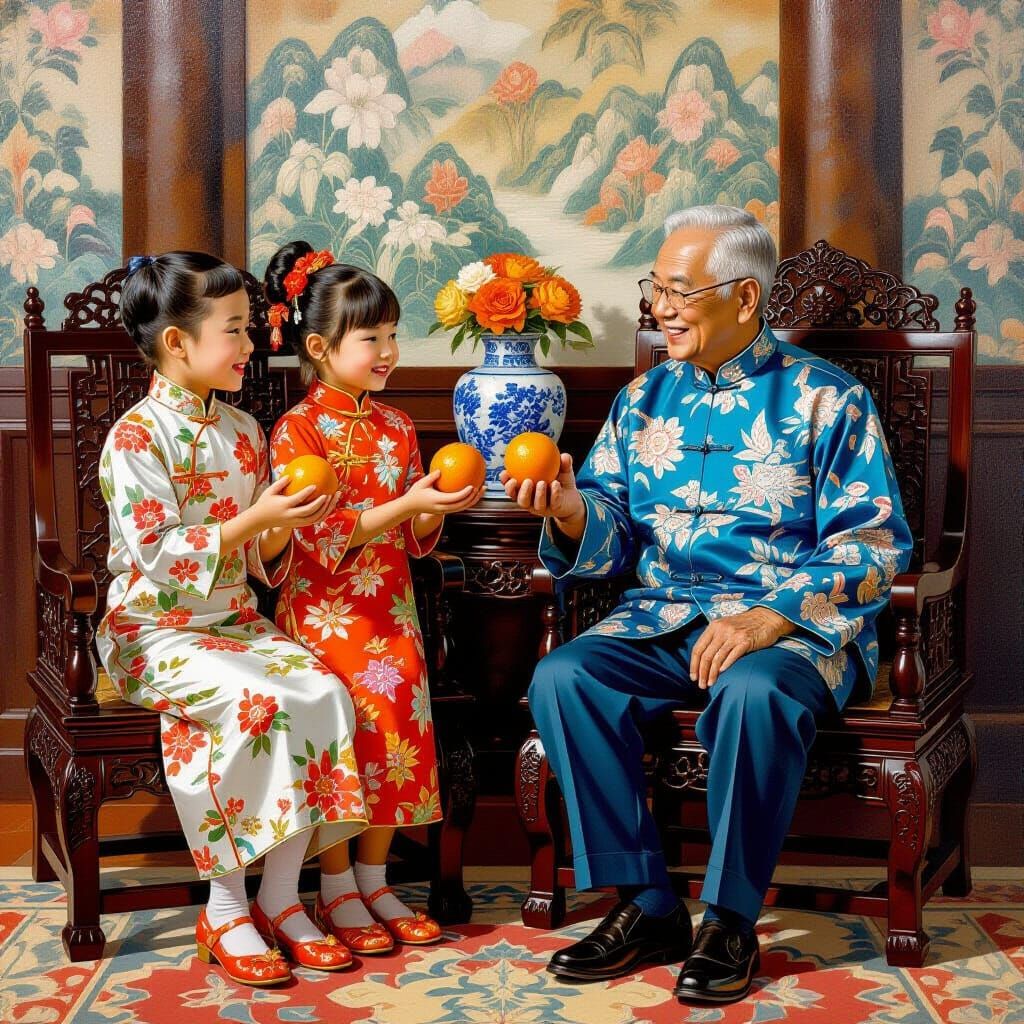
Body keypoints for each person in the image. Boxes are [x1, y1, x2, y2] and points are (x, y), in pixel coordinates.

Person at [503, 205, 914, 1005]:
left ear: (746, 299)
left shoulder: (831, 401)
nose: (661, 304)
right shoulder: (642, 399)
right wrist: (568, 510)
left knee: (754, 691)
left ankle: (729, 919)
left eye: (680, 289)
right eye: (654, 286)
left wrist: (768, 619)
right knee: (565, 677)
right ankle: (647, 906)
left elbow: (874, 545)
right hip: (664, 617)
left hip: (790, 629)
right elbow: (611, 526)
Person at [96, 252, 368, 986]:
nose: (253, 347)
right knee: (259, 703)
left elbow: (260, 561)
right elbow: (158, 557)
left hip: (235, 623)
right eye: (236, 331)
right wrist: (257, 517)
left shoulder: (247, 429)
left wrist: (282, 524)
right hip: (152, 631)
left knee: (324, 692)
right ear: (178, 342)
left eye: (250, 329)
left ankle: (281, 899)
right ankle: (224, 906)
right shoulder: (134, 437)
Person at [265, 243, 483, 955]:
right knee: (346, 741)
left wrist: (438, 505)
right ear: (321, 347)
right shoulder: (294, 430)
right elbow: (324, 536)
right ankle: (335, 892)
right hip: (323, 615)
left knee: (397, 736)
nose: (389, 350)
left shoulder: (394, 426)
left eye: (393, 335)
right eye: (372, 338)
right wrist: (409, 504)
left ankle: (376, 880)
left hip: (391, 612)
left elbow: (416, 535)